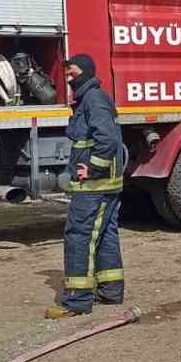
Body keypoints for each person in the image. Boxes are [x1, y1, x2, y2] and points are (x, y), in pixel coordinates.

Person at [50, 53, 125, 318]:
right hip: (101, 183)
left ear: (87, 73)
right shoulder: (92, 97)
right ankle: (110, 290)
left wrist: (92, 168)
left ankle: (78, 300)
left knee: (79, 236)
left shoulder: (93, 99)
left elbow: (107, 140)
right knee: (104, 235)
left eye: (73, 73)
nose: (69, 78)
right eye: (67, 74)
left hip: (94, 185)